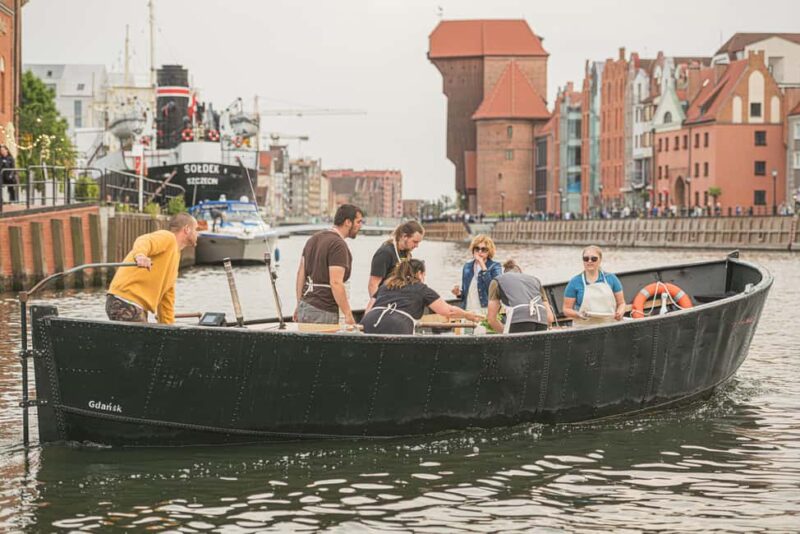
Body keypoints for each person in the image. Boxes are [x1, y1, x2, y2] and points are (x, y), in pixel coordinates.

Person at [106, 212, 198, 324]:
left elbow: (166, 300)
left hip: (135, 306)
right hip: (125, 301)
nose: (197, 233)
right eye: (196, 229)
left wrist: (169, 329)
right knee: (142, 335)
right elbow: (145, 240)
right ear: (187, 229)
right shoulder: (168, 237)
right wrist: (140, 256)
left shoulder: (175, 256)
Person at [362, 259, 482, 335]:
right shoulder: (421, 289)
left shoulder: (385, 286)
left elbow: (368, 310)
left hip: (368, 322)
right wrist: (467, 315)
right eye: (424, 274)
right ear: (419, 273)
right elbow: (448, 311)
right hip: (398, 326)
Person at [294, 204, 363, 325]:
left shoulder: (313, 240)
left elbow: (301, 274)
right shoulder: (338, 245)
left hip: (305, 306)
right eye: (358, 222)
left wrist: (299, 304)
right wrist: (348, 314)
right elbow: (336, 282)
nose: (360, 226)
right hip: (324, 309)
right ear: (348, 222)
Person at [562, 245, 625, 327]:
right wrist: (578, 314)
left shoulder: (611, 278)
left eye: (594, 259)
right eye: (586, 259)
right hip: (583, 327)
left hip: (609, 325)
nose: (589, 261)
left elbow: (621, 303)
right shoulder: (574, 282)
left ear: (600, 260)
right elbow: (566, 309)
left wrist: (620, 312)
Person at [487, 260, 555, 334]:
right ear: (520, 271)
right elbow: (550, 318)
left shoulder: (497, 280)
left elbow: (491, 319)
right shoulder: (535, 280)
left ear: (505, 272)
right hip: (541, 319)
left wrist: (505, 334)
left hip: (518, 319)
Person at [367, 220, 424, 298]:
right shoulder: (384, 253)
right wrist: (377, 303)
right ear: (404, 236)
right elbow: (373, 285)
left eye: (418, 242)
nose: (417, 246)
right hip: (385, 299)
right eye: (415, 242)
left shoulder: (406, 254)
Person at [451, 234, 502, 312]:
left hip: (487, 311)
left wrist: (482, 265)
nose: (480, 251)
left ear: (489, 251)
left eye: (483, 249)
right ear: (473, 250)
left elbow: (494, 291)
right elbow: (465, 293)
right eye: (477, 248)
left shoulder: (495, 266)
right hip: (468, 311)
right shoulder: (467, 266)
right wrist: (458, 293)